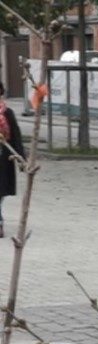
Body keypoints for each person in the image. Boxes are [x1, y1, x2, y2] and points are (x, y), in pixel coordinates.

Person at [0, 81, 25, 239]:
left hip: (3, 158)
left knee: (0, 191)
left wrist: (21, 158)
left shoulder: (7, 112)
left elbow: (15, 136)